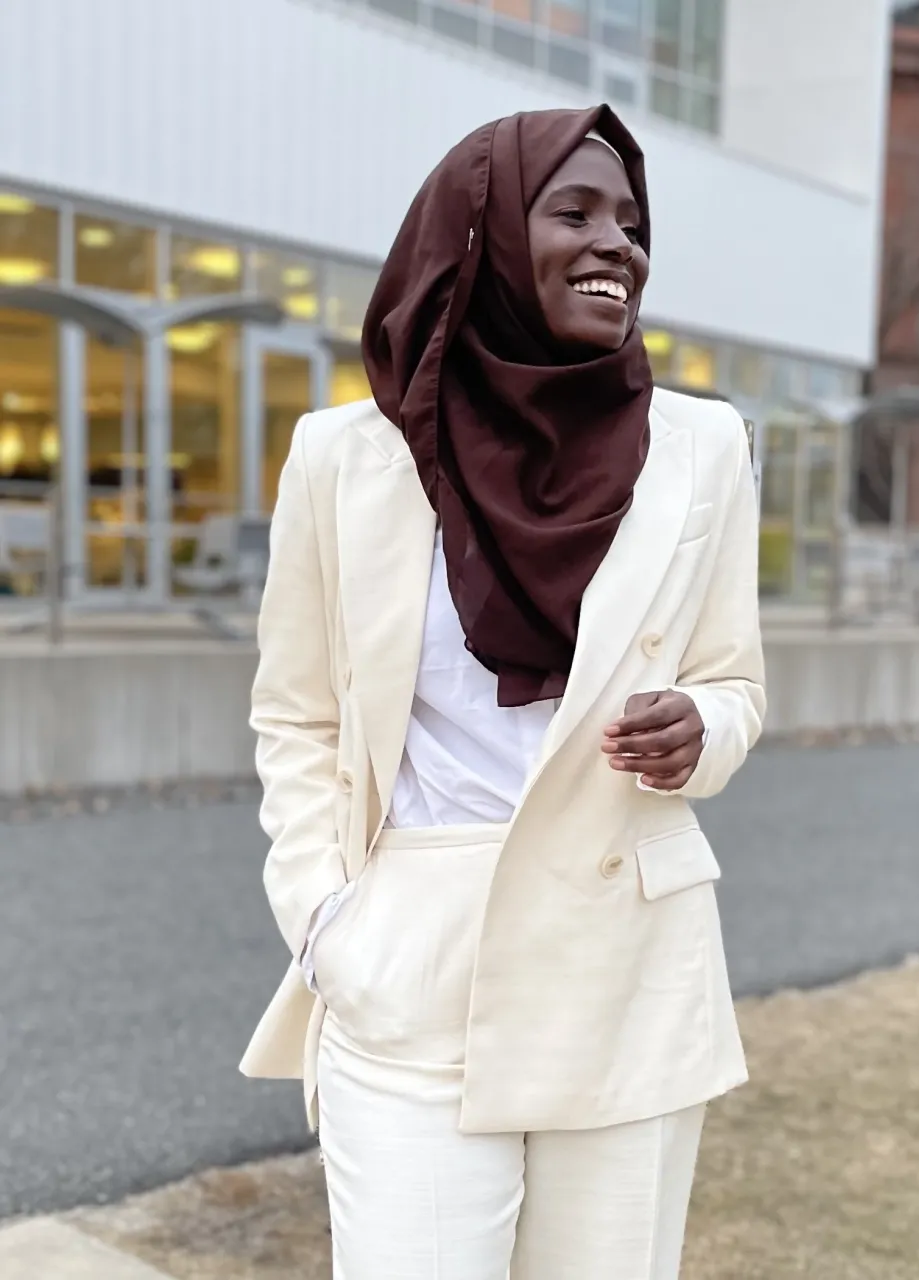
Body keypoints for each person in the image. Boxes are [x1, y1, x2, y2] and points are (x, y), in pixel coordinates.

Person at [240, 104, 765, 1280]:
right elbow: (297, 711)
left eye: (630, 222)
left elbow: (735, 678)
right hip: (415, 957)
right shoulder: (345, 457)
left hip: (626, 954)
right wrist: (328, 921)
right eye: (573, 210)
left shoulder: (703, 449)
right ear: (474, 231)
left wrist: (706, 728)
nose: (616, 243)